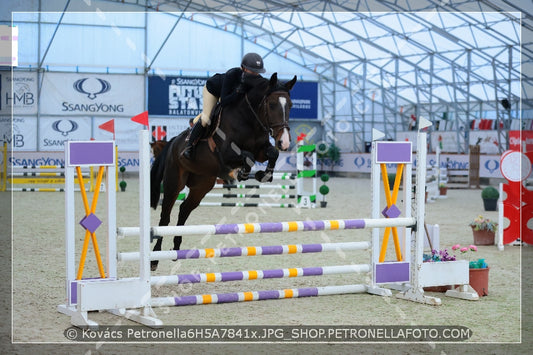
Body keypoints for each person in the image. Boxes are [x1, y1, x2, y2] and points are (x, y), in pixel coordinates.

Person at [183, 52, 266, 159]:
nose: (255, 74)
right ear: (243, 68)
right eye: (253, 71)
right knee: (206, 118)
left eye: (257, 72)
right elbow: (224, 101)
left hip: (229, 94)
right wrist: (237, 92)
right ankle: (189, 146)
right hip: (214, 90)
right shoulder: (232, 75)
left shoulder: (257, 78)